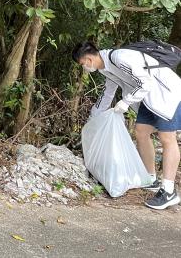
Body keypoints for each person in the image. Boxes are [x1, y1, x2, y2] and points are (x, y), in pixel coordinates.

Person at [73, 40, 181, 210]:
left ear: (88, 59)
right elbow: (107, 94)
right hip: (147, 98)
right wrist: (92, 121)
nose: (84, 68)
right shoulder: (106, 68)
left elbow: (146, 82)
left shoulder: (119, 57)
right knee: (141, 132)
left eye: (82, 65)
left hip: (166, 93)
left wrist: (125, 102)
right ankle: (151, 178)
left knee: (167, 138)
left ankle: (168, 191)